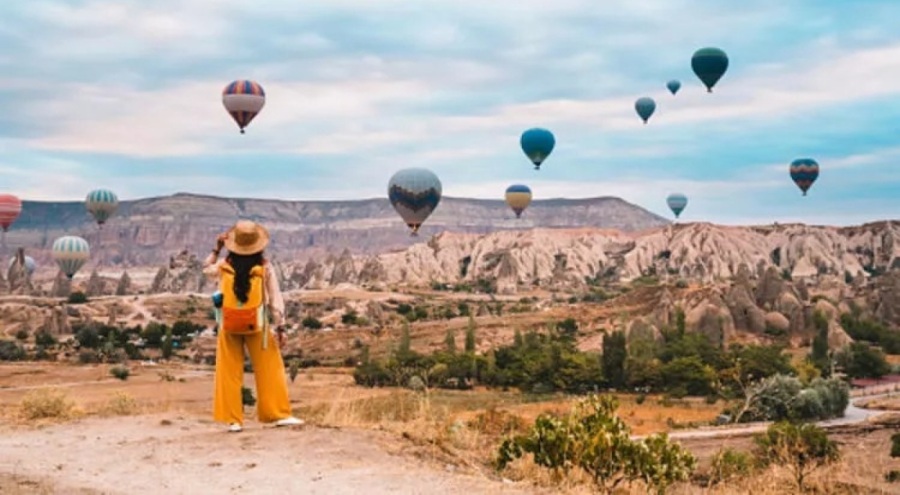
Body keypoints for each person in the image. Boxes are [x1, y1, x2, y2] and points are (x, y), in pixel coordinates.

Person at [203, 220, 303, 432]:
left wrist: (217, 249)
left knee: (228, 371)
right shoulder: (265, 267)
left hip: (228, 326)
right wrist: (281, 327)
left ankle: (233, 420)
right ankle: (277, 414)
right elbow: (275, 299)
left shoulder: (223, 266)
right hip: (258, 326)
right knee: (270, 368)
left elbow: (205, 269)